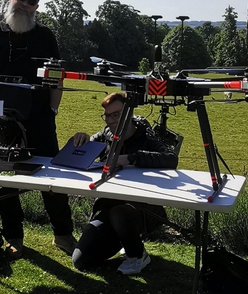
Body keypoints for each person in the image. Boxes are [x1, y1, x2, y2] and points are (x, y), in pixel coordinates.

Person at [0, 0, 76, 258]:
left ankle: (63, 236)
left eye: (31, 1)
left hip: (40, 121)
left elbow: (56, 77)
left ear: (36, 6)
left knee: (53, 180)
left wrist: (52, 111)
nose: (24, 3)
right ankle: (13, 237)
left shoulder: (45, 36)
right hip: (1, 123)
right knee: (6, 181)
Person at [68, 91, 178, 275]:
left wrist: (132, 158)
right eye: (107, 115)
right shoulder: (105, 136)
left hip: (142, 208)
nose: (111, 120)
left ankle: (137, 255)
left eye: (116, 115)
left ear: (129, 113)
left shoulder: (146, 135)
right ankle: (124, 241)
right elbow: (78, 157)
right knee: (80, 260)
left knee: (119, 213)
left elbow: (170, 159)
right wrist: (81, 141)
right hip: (108, 207)